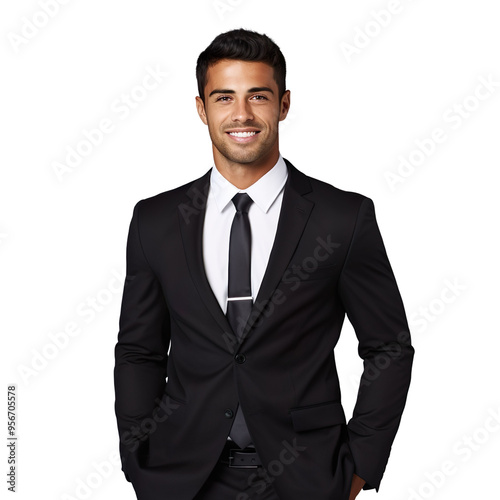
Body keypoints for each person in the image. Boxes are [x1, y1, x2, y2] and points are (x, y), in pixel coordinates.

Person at [114, 28, 414, 500]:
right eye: (224, 97)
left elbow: (389, 347)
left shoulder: (342, 218)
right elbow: (139, 351)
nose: (242, 114)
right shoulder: (155, 220)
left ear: (284, 104)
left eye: (258, 96)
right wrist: (138, 459)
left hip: (304, 479)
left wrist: (359, 468)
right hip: (183, 479)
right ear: (201, 109)